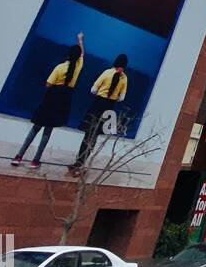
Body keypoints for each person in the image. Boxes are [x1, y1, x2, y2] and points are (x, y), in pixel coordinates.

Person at [11, 32, 84, 169]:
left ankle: (19, 156)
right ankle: (35, 160)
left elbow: (48, 84)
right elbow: (82, 55)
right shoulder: (77, 68)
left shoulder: (60, 67)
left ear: (68, 54)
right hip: (63, 100)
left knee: (35, 128)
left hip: (51, 98)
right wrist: (81, 41)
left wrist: (79, 39)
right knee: (47, 131)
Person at [71, 53, 129, 170]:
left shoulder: (107, 72)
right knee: (95, 135)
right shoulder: (124, 78)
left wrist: (101, 93)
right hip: (109, 108)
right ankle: (83, 162)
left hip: (97, 105)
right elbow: (121, 98)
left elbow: (93, 90)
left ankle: (78, 162)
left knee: (88, 134)